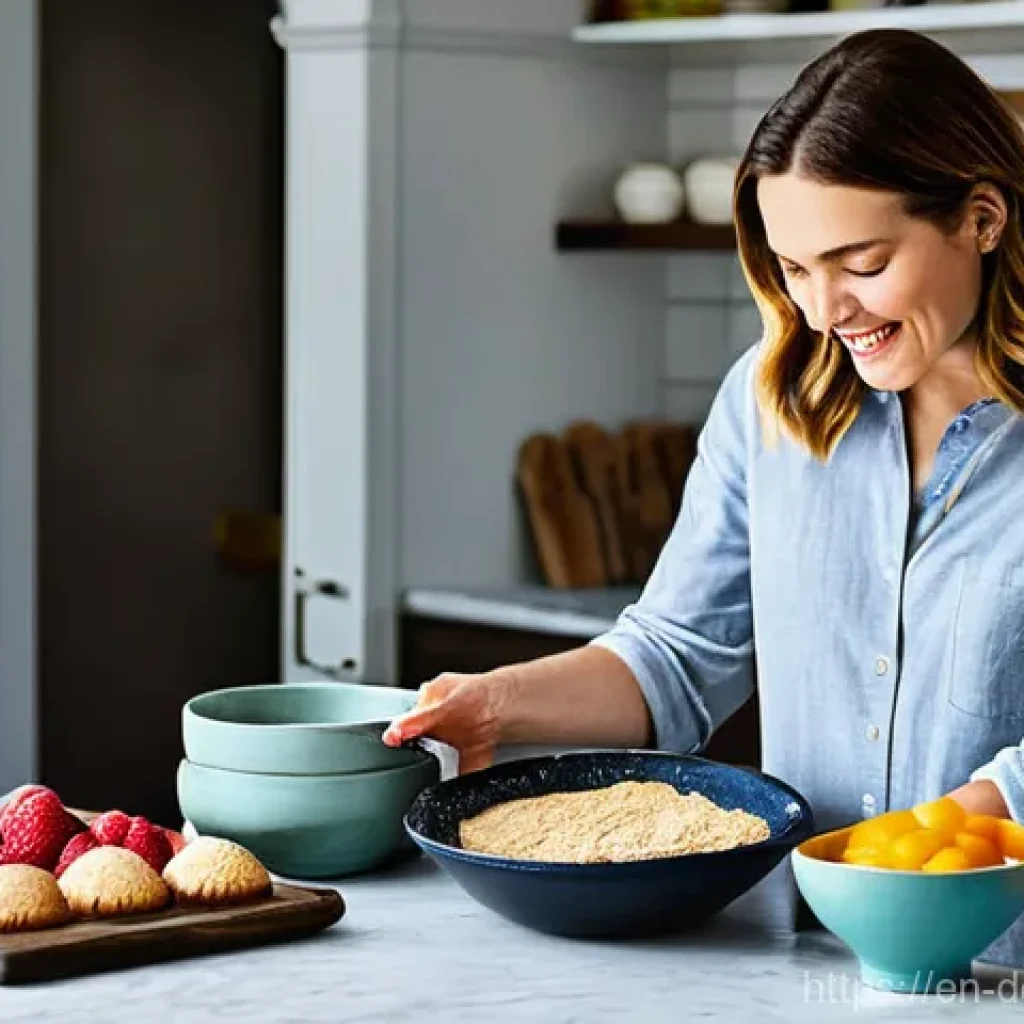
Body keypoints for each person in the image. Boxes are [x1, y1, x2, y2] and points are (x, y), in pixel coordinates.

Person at [384, 28, 1024, 963]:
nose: (825, 312)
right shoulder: (770, 404)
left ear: (982, 218)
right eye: (794, 269)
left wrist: (939, 839)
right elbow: (678, 656)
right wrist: (497, 704)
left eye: (861, 262)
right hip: (807, 960)